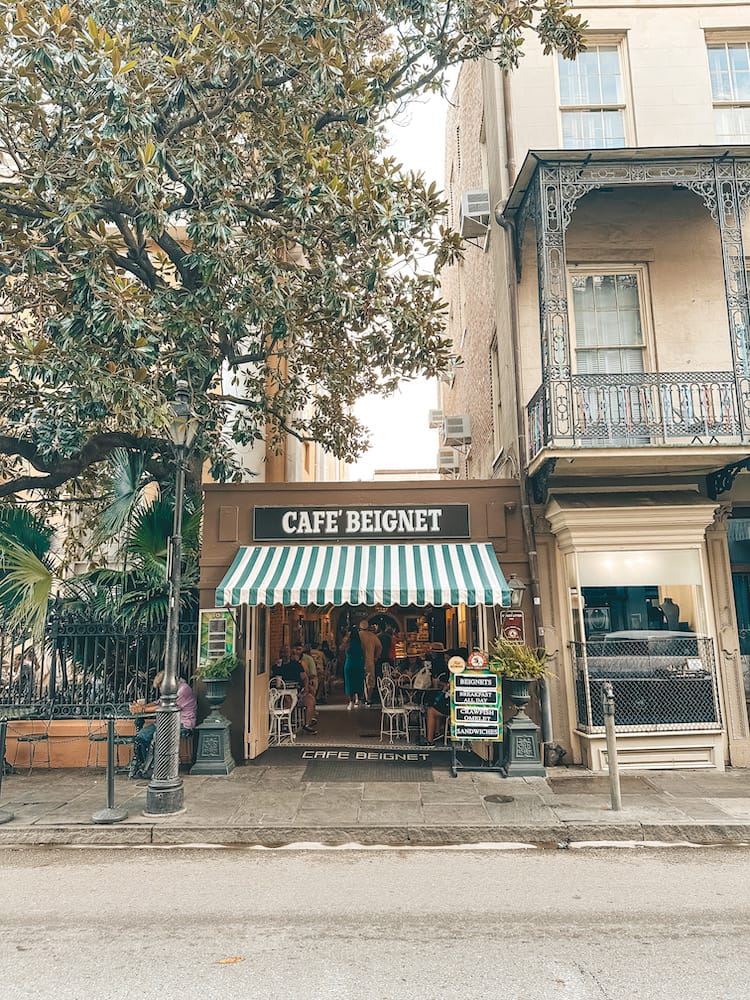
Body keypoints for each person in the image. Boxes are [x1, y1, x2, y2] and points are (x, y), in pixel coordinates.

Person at [129, 671, 198, 778]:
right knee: (142, 735)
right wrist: (143, 706)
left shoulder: (183, 690)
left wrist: (142, 709)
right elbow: (158, 702)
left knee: (157, 736)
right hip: (164, 722)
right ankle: (142, 765)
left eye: (161, 686)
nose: (160, 689)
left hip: (182, 723)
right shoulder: (171, 690)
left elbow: (166, 706)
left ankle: (154, 769)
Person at [273, 645, 318, 733]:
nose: (284, 655)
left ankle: (307, 724)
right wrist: (277, 667)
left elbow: (305, 678)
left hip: (298, 692)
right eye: (282, 652)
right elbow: (273, 678)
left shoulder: (296, 665)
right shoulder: (277, 666)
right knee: (287, 699)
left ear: (290, 654)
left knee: (310, 700)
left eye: (286, 652)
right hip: (282, 692)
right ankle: (286, 723)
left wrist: (305, 688)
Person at [357, 619, 381, 704]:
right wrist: (376, 657)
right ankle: (369, 698)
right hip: (370, 661)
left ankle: (360, 698)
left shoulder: (357, 635)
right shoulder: (372, 636)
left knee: (359, 679)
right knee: (370, 681)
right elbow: (379, 647)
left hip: (359, 661)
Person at [343, 624, 365, 710]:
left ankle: (351, 702)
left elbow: (341, 648)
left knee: (349, 683)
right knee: (359, 682)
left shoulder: (348, 644)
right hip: (359, 664)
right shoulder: (361, 644)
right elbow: (363, 654)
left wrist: (346, 638)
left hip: (349, 664)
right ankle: (358, 700)